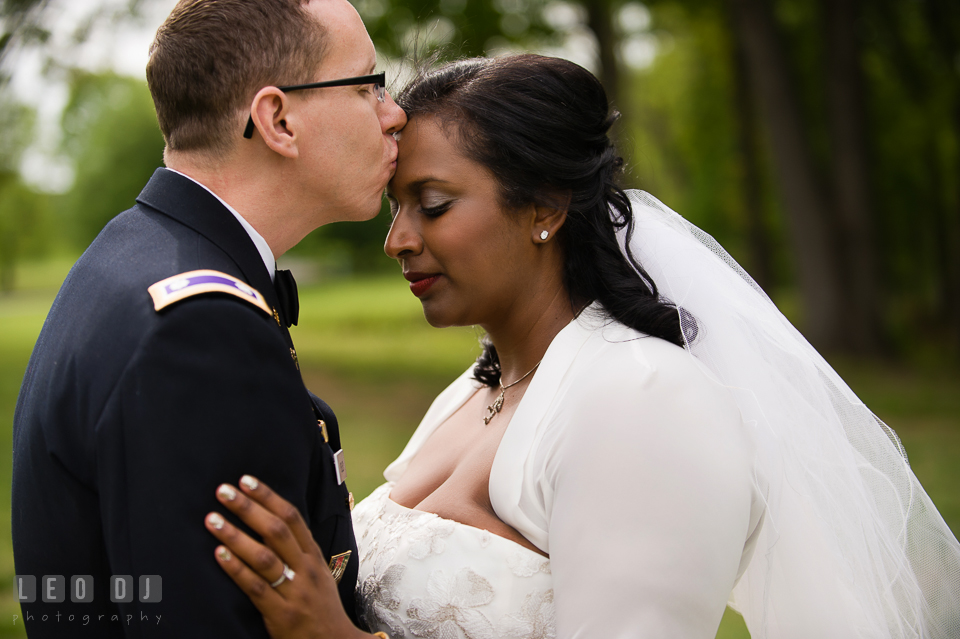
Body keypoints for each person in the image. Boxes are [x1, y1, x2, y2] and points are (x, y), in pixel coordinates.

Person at [204, 54, 960, 638]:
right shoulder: (472, 394)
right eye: (395, 208)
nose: (398, 241)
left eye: (432, 205)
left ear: (544, 207)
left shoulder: (644, 400)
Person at [11, 0, 405, 637]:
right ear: (278, 119)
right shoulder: (200, 331)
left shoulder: (130, 252)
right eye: (366, 86)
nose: (394, 115)